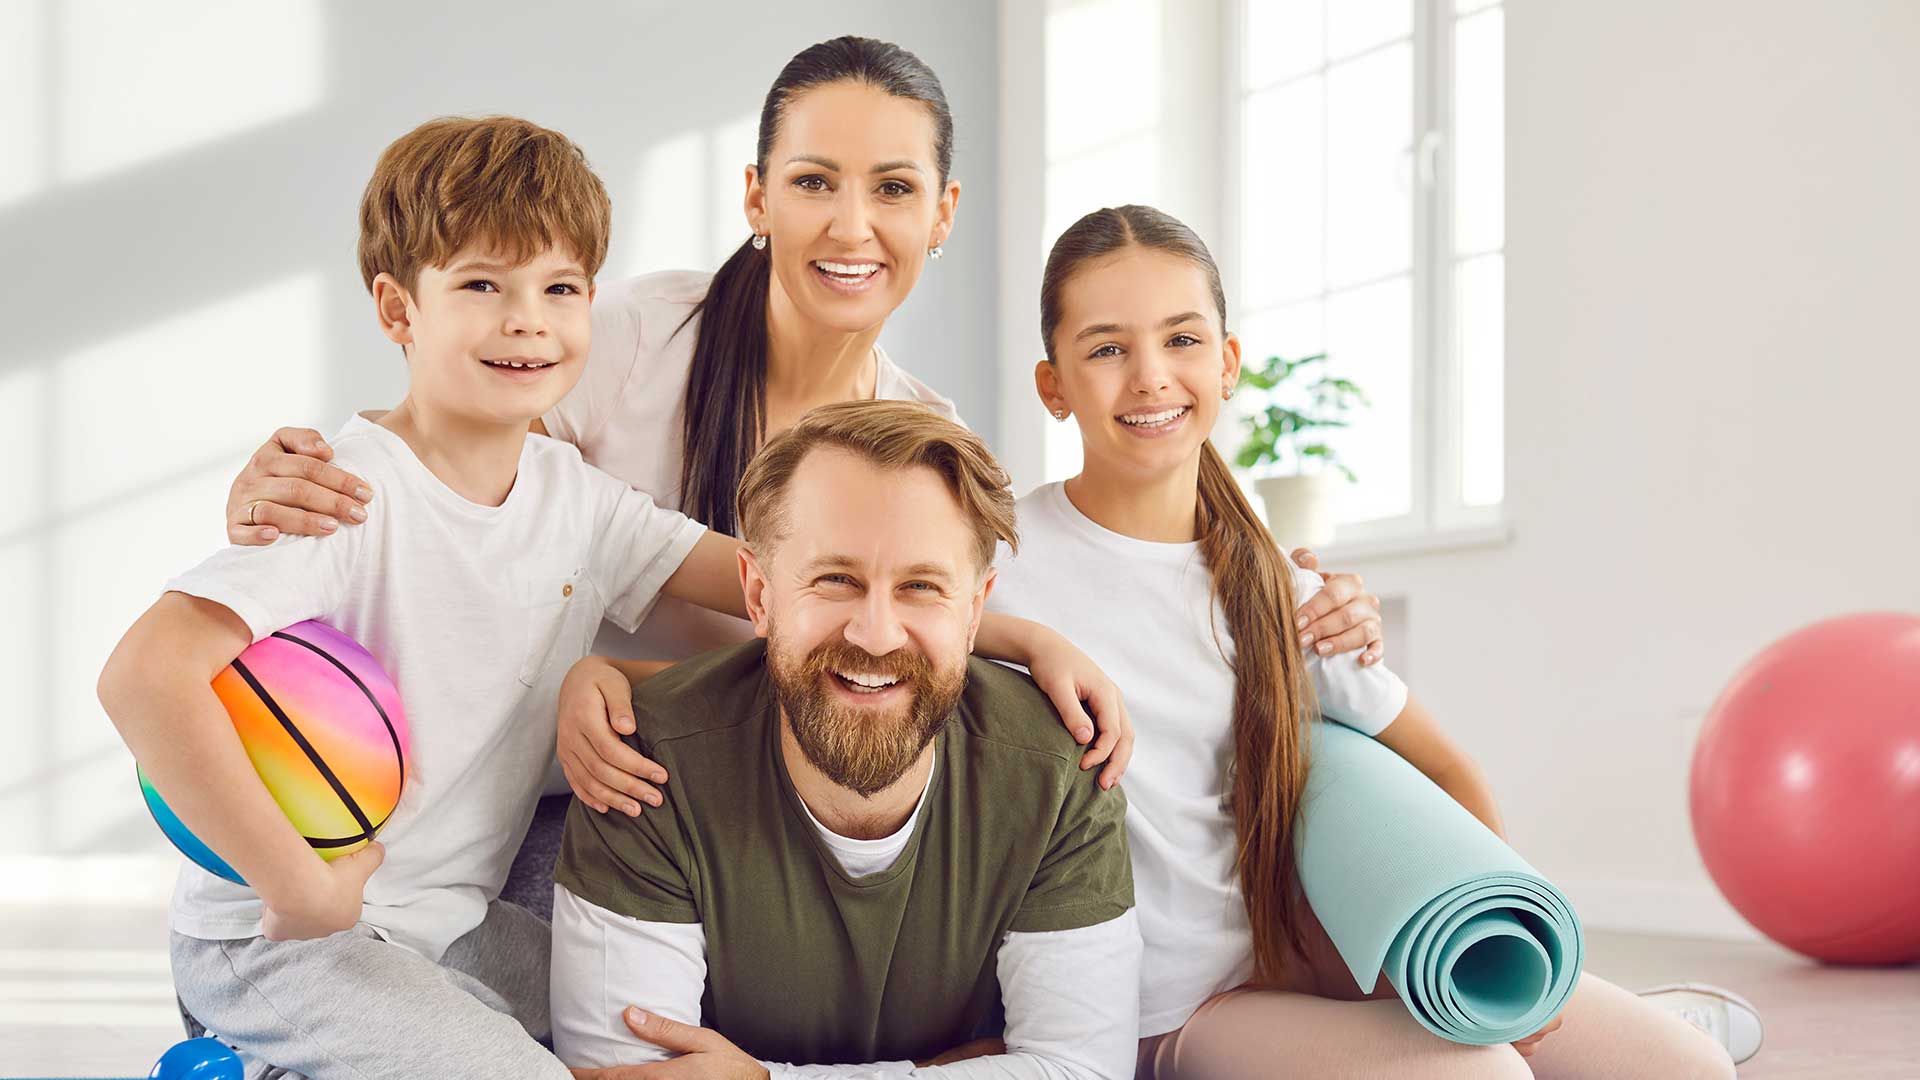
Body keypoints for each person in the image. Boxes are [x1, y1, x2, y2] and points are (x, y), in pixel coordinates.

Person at [210, 37, 1388, 832]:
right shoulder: (629, 334)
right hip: (507, 791)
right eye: (816, 181)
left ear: (942, 215)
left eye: (892, 188)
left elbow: (939, 629)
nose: (853, 224)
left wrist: (1296, 608)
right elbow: (440, 468)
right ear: (757, 198)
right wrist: (285, 486)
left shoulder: (922, 436)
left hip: (738, 808)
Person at [987, 203, 1759, 1078]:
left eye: (1183, 340)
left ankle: (1665, 1021)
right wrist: (1022, 637)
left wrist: (1505, 957)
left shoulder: (1286, 589)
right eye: (1106, 348)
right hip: (1174, 1015)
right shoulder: (997, 554)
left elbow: (1444, 768)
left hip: (1324, 965)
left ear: (1228, 364)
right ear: (1053, 385)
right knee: (1487, 1076)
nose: (1151, 377)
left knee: (1689, 1071)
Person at [95, 115, 757, 1080]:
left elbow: (773, 588)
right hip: (282, 942)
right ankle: (260, 1057)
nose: (528, 317)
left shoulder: (580, 502)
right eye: (484, 284)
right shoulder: (345, 493)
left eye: (560, 287)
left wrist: (1004, 631)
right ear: (399, 310)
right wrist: (296, 886)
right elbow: (142, 676)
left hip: (452, 927)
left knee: (669, 1007)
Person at [550, 401, 1140, 1079]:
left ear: (976, 610)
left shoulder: (1057, 767)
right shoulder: (637, 763)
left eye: (921, 586)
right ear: (759, 594)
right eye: (835, 580)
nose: (876, 634)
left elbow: (1082, 1072)